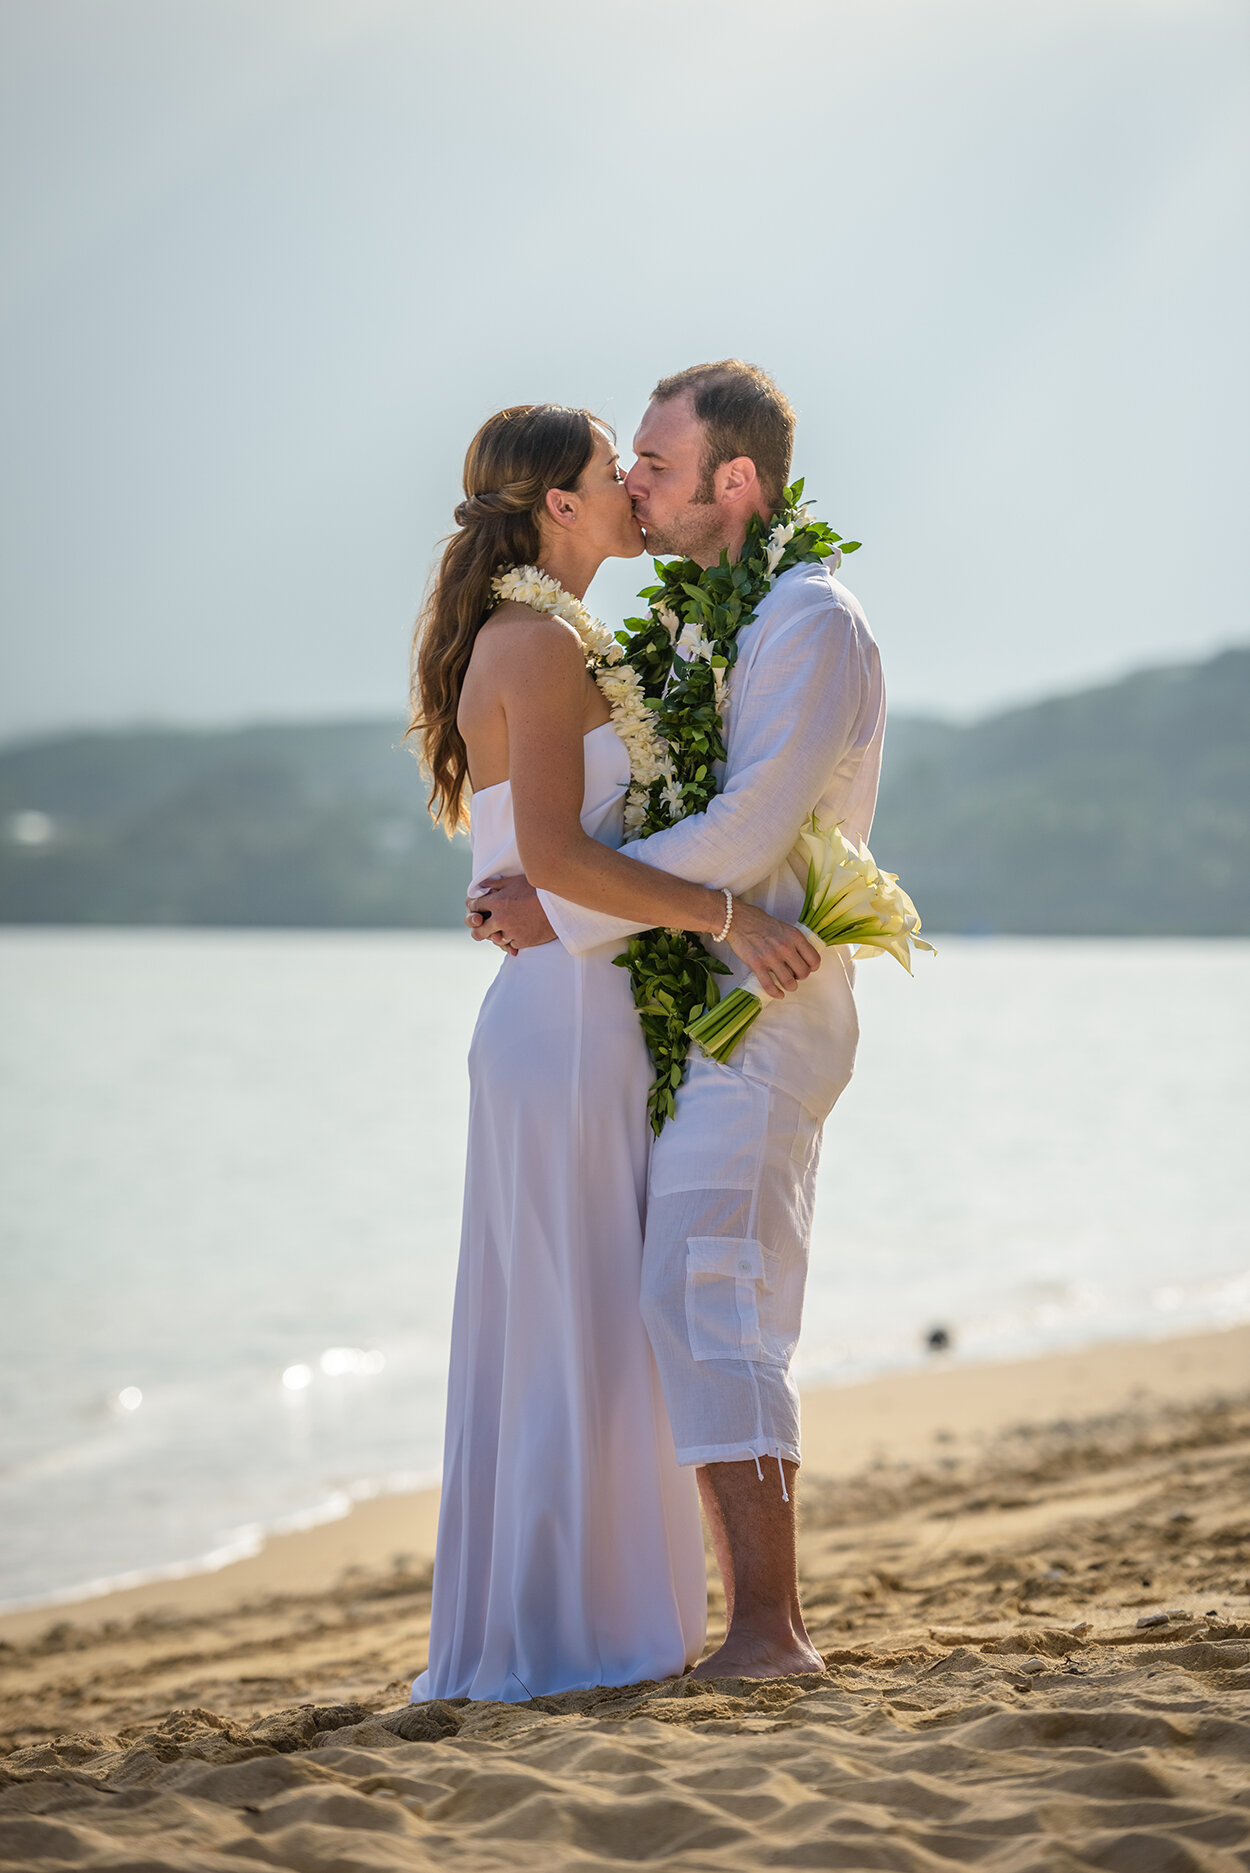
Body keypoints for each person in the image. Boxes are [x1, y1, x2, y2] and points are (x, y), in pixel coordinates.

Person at [468, 362, 887, 1681]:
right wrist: (572, 883)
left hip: (766, 1005)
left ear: (736, 481)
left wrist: (565, 903)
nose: (638, 484)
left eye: (655, 461)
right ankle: (713, 1620)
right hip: (692, 1008)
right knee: (689, 1295)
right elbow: (648, 812)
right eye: (627, 464)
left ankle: (769, 1632)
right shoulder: (715, 619)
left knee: (705, 1298)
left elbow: (754, 829)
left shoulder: (809, 620)